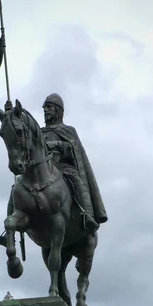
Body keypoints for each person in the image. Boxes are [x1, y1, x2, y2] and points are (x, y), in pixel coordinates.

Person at [42, 93, 107, 232]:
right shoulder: (39, 132)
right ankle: (9, 228)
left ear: (58, 111)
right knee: (18, 187)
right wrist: (11, 114)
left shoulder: (68, 130)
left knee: (77, 180)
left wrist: (57, 144)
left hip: (62, 167)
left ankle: (88, 216)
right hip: (43, 169)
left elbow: (74, 148)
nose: (45, 110)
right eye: (44, 108)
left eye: (49, 107)